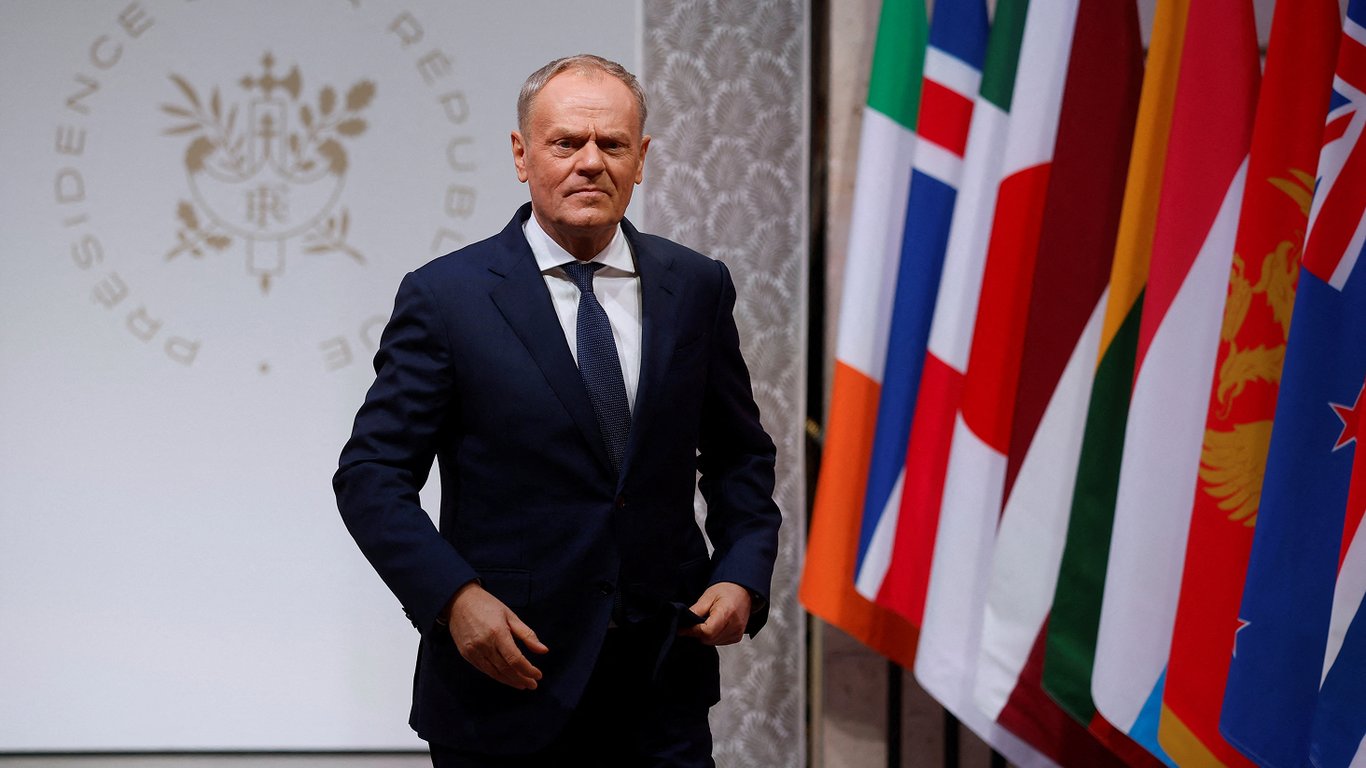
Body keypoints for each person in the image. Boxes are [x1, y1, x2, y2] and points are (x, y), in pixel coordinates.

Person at [333, 53, 782, 767]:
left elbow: (739, 455)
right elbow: (371, 476)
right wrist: (453, 599)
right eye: (566, 142)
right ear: (522, 155)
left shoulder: (697, 287)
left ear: (641, 159)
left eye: (612, 144)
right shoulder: (446, 297)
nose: (590, 163)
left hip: (661, 689)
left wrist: (742, 572)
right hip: (505, 683)